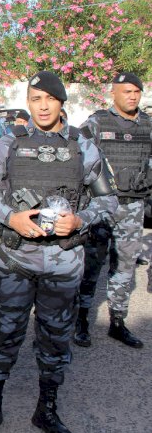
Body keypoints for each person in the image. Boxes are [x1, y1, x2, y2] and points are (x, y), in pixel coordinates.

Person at [0, 71, 118, 433]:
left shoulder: (82, 146)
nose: (42, 106)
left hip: (63, 261)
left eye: (49, 99)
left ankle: (47, 409)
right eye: (35, 99)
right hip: (15, 259)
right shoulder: (7, 144)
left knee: (55, 339)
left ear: (61, 103)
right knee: (5, 334)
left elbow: (109, 200)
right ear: (29, 102)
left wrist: (81, 218)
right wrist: (11, 216)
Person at [75, 72, 149, 349]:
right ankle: (81, 320)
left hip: (133, 205)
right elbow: (78, 157)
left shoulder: (148, 125)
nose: (131, 96)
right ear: (113, 93)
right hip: (103, 206)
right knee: (90, 266)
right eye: (126, 91)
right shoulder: (96, 123)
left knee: (125, 267)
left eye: (136, 92)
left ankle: (118, 322)